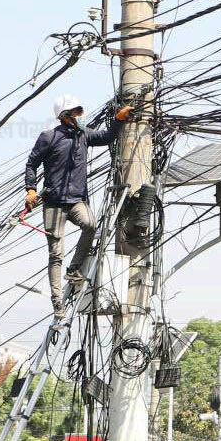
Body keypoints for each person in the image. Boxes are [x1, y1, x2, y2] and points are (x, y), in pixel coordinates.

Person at [24, 94, 134, 319]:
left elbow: (106, 137)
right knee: (55, 254)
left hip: (76, 200)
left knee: (91, 225)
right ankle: (57, 304)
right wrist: (31, 189)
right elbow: (31, 163)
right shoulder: (49, 137)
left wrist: (119, 119)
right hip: (54, 204)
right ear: (65, 116)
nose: (80, 116)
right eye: (76, 112)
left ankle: (74, 269)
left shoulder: (83, 135)